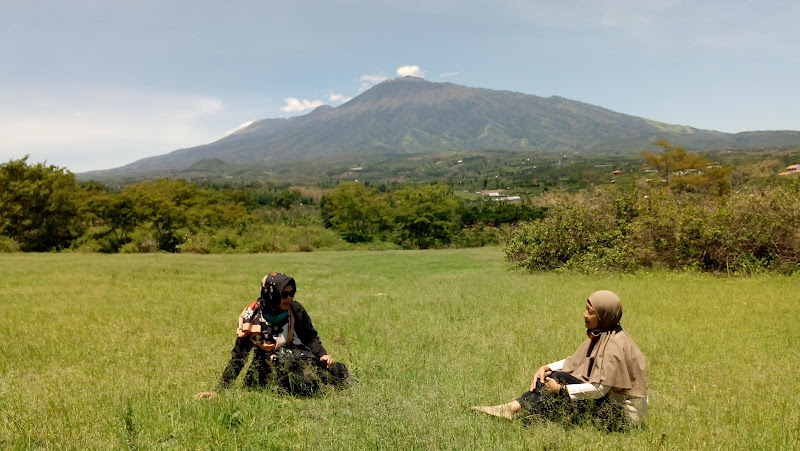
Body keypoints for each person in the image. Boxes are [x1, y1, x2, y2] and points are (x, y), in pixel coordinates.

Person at [472, 290, 647, 428]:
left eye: (591, 312)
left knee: (560, 381)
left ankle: (512, 409)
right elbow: (578, 361)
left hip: (621, 418)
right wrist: (546, 367)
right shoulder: (607, 334)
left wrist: (561, 389)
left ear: (603, 315)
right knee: (556, 378)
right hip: (610, 405)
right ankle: (518, 411)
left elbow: (600, 389)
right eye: (586, 309)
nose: (585, 314)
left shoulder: (614, 345)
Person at [196, 273, 351, 398]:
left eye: (292, 293)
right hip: (265, 370)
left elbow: (310, 336)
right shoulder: (252, 318)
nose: (289, 298)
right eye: (284, 294)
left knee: (323, 377)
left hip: (297, 359)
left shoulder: (296, 310)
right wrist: (219, 390)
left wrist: (322, 354)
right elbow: (239, 357)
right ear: (271, 294)